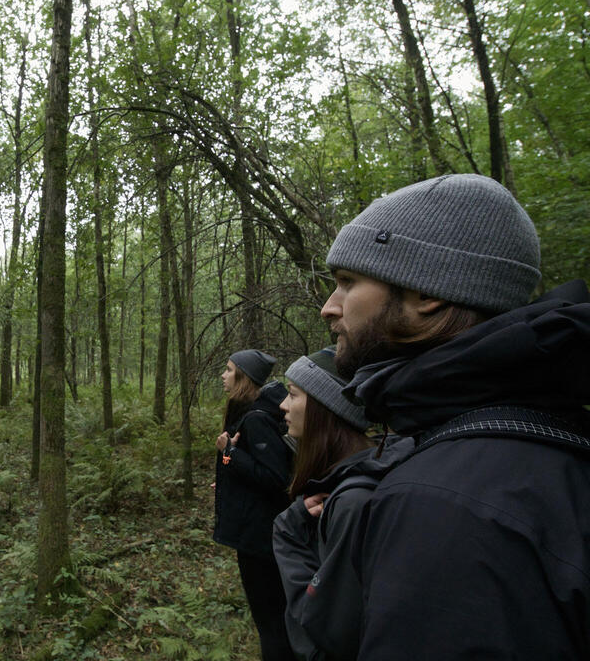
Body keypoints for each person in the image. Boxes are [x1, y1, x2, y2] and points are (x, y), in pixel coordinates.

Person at [320, 172, 590, 659]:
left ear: (427, 292)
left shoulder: (443, 505)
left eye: (346, 282)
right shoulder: (549, 429)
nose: (329, 307)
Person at [272, 349, 413, 661]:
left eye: (293, 394)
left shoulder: (352, 502)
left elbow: (329, 633)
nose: (283, 405)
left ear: (326, 408)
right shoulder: (367, 471)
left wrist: (287, 532)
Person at [213, 349, 295, 660]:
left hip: (259, 537)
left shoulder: (258, 418)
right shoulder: (255, 410)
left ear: (244, 378)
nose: (224, 375)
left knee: (270, 619)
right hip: (258, 530)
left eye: (230, 369)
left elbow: (274, 477)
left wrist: (230, 454)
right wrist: (231, 475)